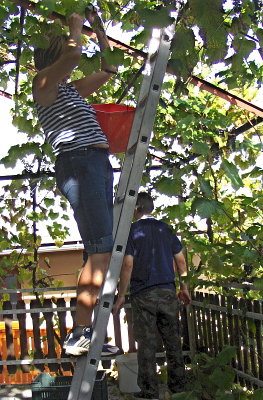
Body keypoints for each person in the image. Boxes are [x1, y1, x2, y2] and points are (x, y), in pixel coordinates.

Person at [33, 8, 119, 357]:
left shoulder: (68, 90)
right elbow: (74, 54)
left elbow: (109, 70)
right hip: (80, 163)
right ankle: (80, 332)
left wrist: (98, 28)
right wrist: (73, 22)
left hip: (94, 164)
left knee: (99, 251)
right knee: (100, 252)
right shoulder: (43, 85)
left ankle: (87, 332)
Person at [113, 192, 191, 399]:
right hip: (167, 293)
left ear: (136, 208)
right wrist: (184, 287)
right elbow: (181, 261)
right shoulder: (165, 229)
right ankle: (179, 389)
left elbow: (128, 264)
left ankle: (150, 392)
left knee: (146, 346)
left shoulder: (132, 231)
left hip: (143, 295)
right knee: (173, 342)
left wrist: (121, 294)